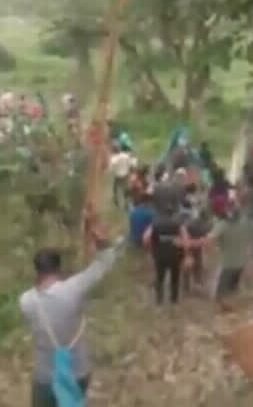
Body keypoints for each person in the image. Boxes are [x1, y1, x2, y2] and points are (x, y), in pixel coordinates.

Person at [19, 240, 123, 407]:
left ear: (37, 270)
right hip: (78, 371)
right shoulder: (74, 289)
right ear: (58, 267)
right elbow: (103, 264)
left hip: (45, 377)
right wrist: (102, 244)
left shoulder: (26, 301)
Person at [204, 195, 250, 311]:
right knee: (232, 287)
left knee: (217, 293)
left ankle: (227, 306)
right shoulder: (244, 221)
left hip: (227, 264)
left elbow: (208, 241)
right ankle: (232, 303)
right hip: (241, 262)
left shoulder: (222, 225)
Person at [143, 209, 190, 305]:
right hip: (175, 255)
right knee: (175, 278)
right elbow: (186, 240)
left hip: (160, 255)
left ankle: (159, 300)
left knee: (160, 278)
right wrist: (186, 254)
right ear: (172, 214)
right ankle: (174, 300)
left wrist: (151, 249)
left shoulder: (155, 224)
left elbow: (145, 238)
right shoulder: (178, 224)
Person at [109, 145, 132, 209]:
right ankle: (126, 203)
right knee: (126, 188)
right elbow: (130, 164)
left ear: (114, 151)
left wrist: (114, 170)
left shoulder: (114, 158)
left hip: (118, 176)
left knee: (115, 189)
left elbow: (111, 168)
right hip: (125, 174)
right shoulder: (126, 156)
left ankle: (116, 201)